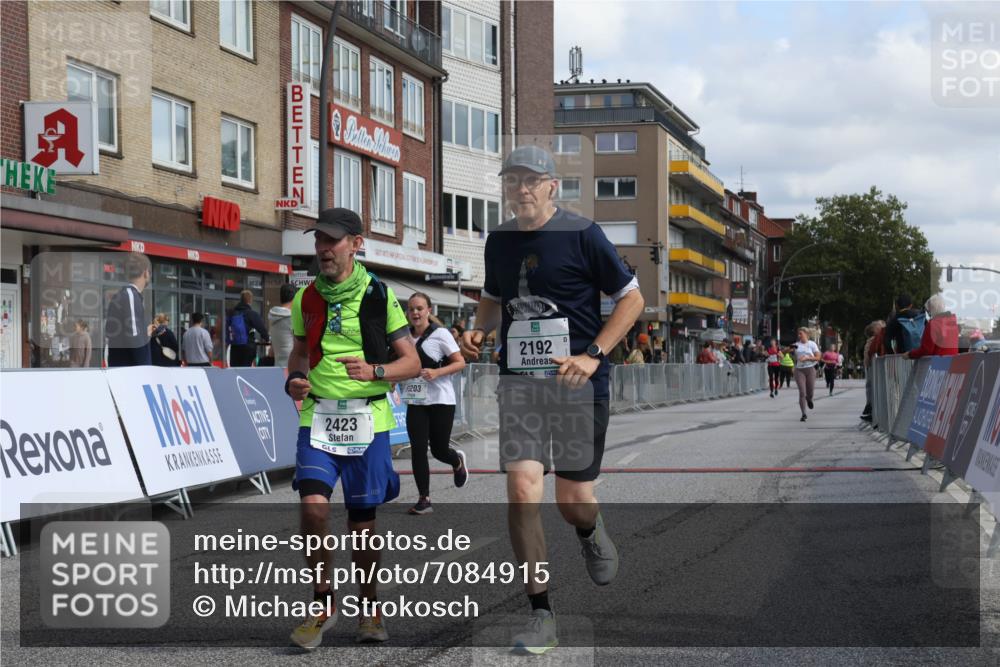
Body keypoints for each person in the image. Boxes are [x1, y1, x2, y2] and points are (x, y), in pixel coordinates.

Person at [459, 145, 644, 655]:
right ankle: (541, 613)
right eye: (512, 180)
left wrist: (594, 354)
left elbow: (632, 298)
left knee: (571, 501)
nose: (520, 189)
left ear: (550, 187)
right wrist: (478, 332)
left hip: (577, 384)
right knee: (522, 490)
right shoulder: (498, 241)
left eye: (530, 180)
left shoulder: (582, 234)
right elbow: (494, 297)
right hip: (521, 382)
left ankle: (590, 529)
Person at [402, 292, 469, 515]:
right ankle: (424, 499)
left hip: (441, 399)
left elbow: (460, 363)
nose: (415, 313)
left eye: (420, 308)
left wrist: (437, 371)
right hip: (416, 400)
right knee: (418, 449)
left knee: (439, 450)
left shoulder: (440, 334)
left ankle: (457, 461)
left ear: (429, 311)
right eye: (411, 309)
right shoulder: (403, 337)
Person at [105, 252, 154, 367]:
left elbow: (112, 330)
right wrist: (145, 367)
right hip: (131, 371)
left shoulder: (123, 295)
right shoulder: (130, 296)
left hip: (122, 368)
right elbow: (134, 335)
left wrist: (144, 333)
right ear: (146, 272)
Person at [906, 295, 959, 359]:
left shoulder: (933, 324)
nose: (929, 315)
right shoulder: (953, 324)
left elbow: (926, 350)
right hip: (952, 363)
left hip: (938, 365)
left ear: (932, 309)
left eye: (928, 311)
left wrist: (909, 354)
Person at [227, 289, 269, 367]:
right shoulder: (251, 313)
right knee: (246, 370)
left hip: (235, 347)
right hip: (247, 347)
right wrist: (267, 338)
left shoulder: (232, 313)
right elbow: (261, 328)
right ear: (250, 300)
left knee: (235, 370)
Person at [793, 328, 822, 421]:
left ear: (806, 334)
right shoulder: (796, 345)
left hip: (810, 369)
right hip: (799, 370)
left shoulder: (812, 344)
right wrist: (782, 353)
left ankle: (809, 399)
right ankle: (804, 414)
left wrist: (807, 358)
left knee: (810, 392)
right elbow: (785, 351)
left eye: (800, 333)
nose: (799, 335)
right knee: (802, 392)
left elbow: (818, 357)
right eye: (798, 334)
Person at [861, 319, 886, 422]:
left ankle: (872, 410)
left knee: (873, 388)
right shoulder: (873, 339)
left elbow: (871, 352)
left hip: (874, 366)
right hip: (872, 365)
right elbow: (868, 353)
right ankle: (871, 410)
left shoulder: (876, 339)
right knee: (871, 388)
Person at [269, 283, 298, 368]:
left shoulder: (272, 316)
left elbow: (271, 352)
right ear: (294, 298)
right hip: (293, 365)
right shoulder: (292, 317)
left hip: (278, 365)